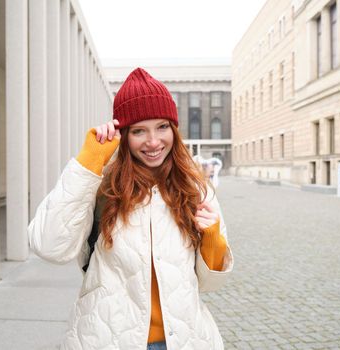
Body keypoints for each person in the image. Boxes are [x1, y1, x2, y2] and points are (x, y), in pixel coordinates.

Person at [28, 68, 234, 350]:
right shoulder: (103, 187)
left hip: (186, 341)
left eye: (162, 127)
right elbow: (49, 246)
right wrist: (88, 162)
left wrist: (211, 237)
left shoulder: (195, 189)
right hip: (107, 341)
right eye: (139, 131)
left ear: (173, 128)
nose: (153, 142)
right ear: (124, 134)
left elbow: (210, 284)